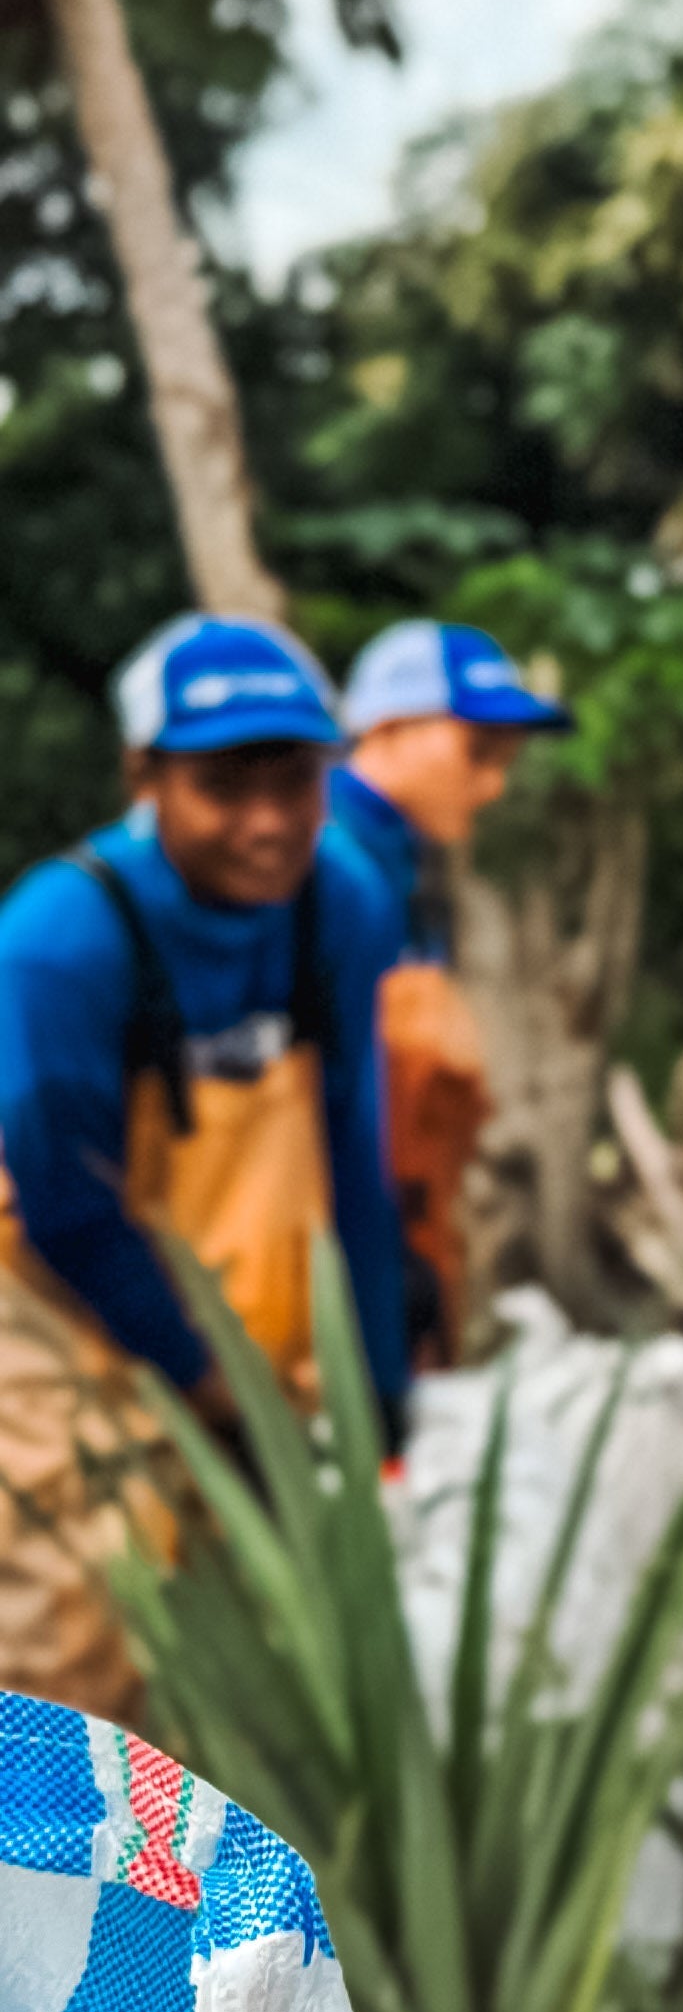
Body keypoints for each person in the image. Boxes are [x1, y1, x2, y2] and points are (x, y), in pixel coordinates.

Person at [0, 612, 410, 1703]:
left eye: (297, 784)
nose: (270, 824)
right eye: (225, 789)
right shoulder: (63, 939)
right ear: (146, 776)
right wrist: (214, 1389)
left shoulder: (340, 905)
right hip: (56, 1312)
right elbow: (64, 1204)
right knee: (86, 1623)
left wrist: (375, 1381)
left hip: (232, 1313)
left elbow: (351, 1146)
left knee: (260, 1655)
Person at [329, 613, 574, 1365]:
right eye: (477, 751)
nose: (493, 784)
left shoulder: (410, 868)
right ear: (389, 729)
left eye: (506, 759)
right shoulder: (321, 865)